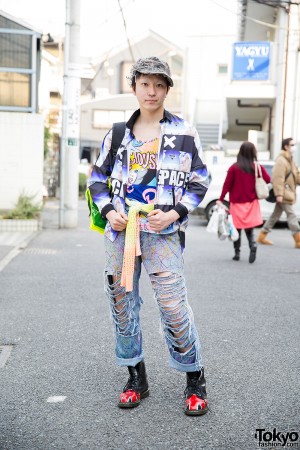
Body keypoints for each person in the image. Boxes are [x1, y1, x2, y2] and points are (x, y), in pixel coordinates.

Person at [87, 57, 210, 415]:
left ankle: (194, 377)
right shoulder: (118, 133)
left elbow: (200, 179)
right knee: (122, 305)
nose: (152, 91)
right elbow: (96, 178)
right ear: (134, 86)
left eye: (159, 84)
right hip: (122, 235)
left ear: (167, 89)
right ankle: (136, 375)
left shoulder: (184, 133)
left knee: (172, 306)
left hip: (163, 233)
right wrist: (110, 211)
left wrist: (174, 212)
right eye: (145, 84)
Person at [217, 141, 270, 263]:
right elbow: (267, 180)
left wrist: (220, 199)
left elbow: (227, 185)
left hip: (236, 204)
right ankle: (253, 245)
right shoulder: (257, 167)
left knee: (236, 229)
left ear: (240, 152)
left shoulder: (234, 168)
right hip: (251, 203)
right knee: (249, 228)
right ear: (253, 153)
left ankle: (237, 253)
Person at [257, 137, 300, 248]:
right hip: (284, 193)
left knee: (275, 215)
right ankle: (298, 240)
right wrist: (279, 194)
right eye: (292, 145)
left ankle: (262, 236)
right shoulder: (281, 160)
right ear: (286, 146)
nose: (294, 147)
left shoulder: (290, 160)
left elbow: (296, 176)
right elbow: (278, 178)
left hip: (287, 193)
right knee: (292, 216)